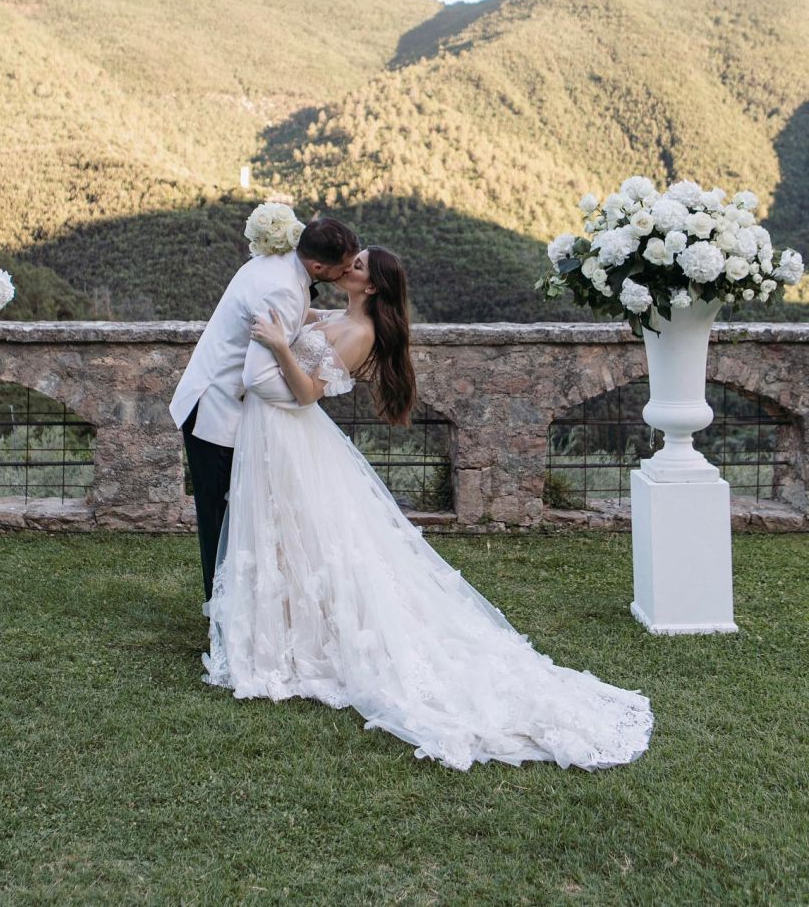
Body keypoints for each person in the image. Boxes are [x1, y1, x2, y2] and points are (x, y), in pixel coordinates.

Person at [203, 246, 654, 771]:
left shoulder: (360, 334)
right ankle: (286, 624)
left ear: (370, 287)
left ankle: (308, 636)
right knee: (292, 533)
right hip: (278, 435)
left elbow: (306, 394)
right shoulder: (339, 316)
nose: (349, 264)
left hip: (293, 429)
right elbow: (301, 313)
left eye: (358, 265)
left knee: (317, 537)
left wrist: (280, 346)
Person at [169, 217, 360, 610]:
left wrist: (329, 320)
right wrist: (302, 402)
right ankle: (223, 613)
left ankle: (241, 608)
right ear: (319, 268)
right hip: (216, 411)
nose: (349, 271)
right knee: (221, 518)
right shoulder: (284, 289)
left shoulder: (282, 266)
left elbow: (290, 319)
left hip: (215, 399)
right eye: (345, 266)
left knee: (239, 512)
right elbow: (256, 377)